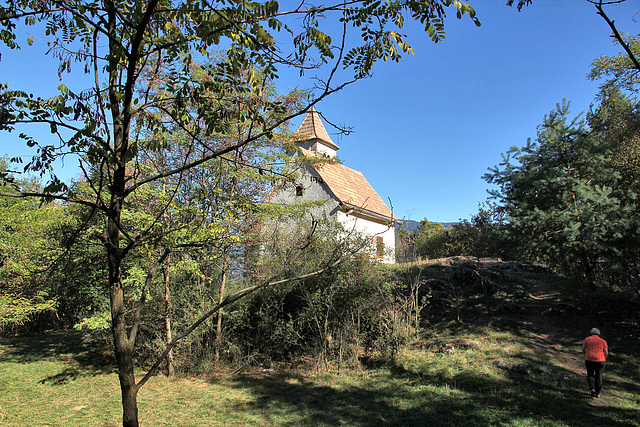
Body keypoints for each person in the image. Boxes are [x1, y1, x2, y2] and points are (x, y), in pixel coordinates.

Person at [582, 327, 608, 398]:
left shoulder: (587, 339)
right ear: (599, 334)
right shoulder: (603, 341)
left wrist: (585, 355)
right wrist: (604, 358)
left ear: (591, 333)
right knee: (599, 376)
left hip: (589, 359)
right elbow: (606, 352)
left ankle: (592, 389)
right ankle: (598, 392)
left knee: (590, 374)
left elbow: (583, 349)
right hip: (600, 360)